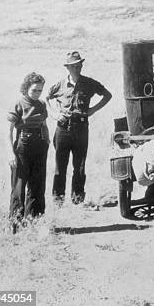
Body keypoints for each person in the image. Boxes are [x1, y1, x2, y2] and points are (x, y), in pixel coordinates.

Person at [47, 51, 112, 204]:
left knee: (80, 166)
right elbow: (46, 99)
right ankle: (58, 200)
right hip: (63, 129)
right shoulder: (60, 85)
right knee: (60, 167)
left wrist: (93, 109)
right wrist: (55, 114)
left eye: (79, 65)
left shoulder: (89, 83)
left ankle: (77, 199)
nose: (77, 68)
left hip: (81, 128)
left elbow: (107, 95)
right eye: (74, 66)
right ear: (67, 68)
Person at [8, 72, 49, 232]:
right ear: (26, 89)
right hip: (22, 147)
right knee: (19, 186)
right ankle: (16, 226)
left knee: (37, 185)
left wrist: (46, 142)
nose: (37, 93)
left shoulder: (41, 104)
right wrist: (10, 153)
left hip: (39, 146)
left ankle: (34, 221)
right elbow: (8, 131)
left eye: (40, 90)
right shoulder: (18, 104)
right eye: (34, 90)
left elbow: (44, 125)